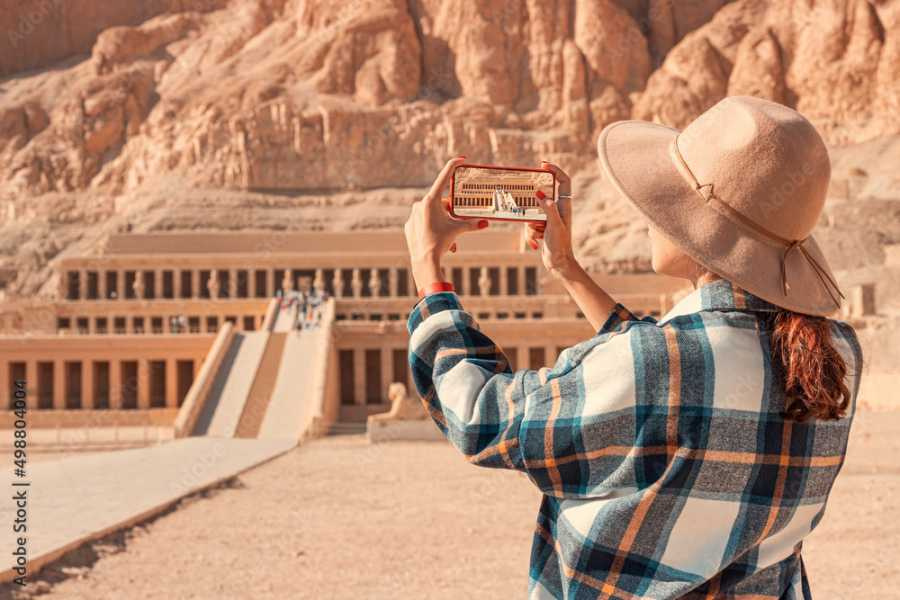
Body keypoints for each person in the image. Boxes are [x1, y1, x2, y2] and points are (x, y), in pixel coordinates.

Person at [404, 96, 861, 599]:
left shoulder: (657, 365)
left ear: (703, 234)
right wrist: (567, 269)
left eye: (667, 201)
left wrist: (430, 273)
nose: (650, 215)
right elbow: (678, 374)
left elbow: (481, 419)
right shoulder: (836, 357)